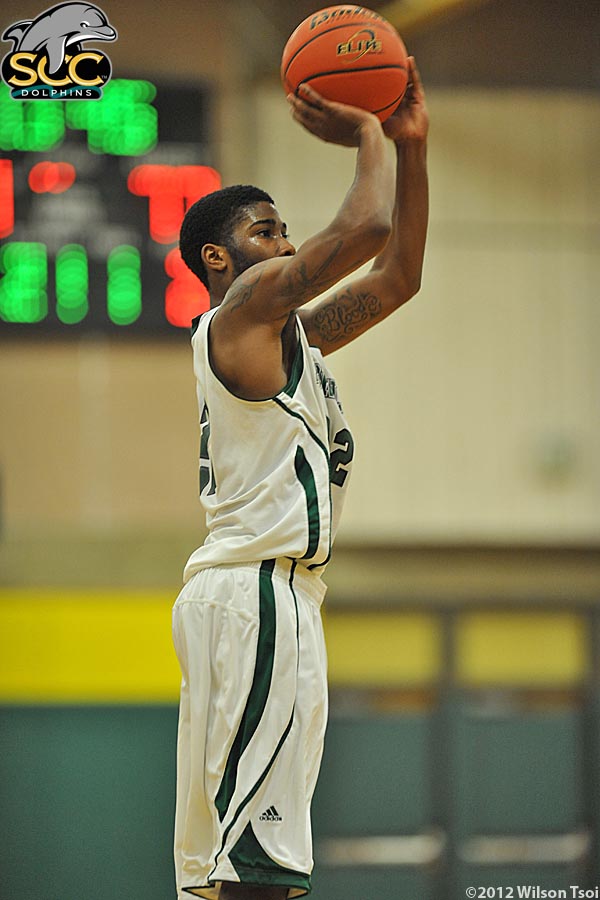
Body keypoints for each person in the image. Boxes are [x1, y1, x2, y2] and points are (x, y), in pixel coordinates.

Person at [172, 57, 429, 900]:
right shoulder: (239, 313)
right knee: (260, 873)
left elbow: (396, 278)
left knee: (229, 872)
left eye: (285, 229)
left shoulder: (291, 344)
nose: (284, 242)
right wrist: (366, 129)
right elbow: (364, 235)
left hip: (259, 599)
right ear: (218, 257)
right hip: (256, 598)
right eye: (265, 230)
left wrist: (412, 145)